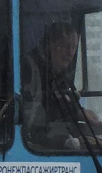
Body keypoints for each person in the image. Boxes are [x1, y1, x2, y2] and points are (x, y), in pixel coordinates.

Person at [22, 21, 96, 149]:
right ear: (49, 45)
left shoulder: (59, 73)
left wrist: (80, 112)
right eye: (65, 46)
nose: (70, 53)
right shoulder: (28, 68)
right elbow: (33, 120)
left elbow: (65, 104)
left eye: (74, 47)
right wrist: (64, 140)